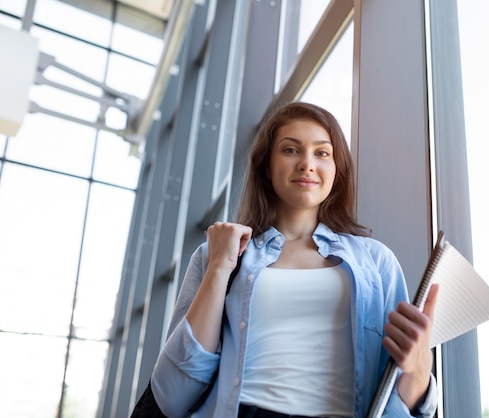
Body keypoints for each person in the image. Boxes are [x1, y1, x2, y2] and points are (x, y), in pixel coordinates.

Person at [150, 102, 439, 418]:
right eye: (290, 150)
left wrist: (419, 370)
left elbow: (402, 403)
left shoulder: (376, 262)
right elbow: (171, 394)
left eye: (322, 153)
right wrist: (219, 266)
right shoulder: (219, 254)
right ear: (266, 166)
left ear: (336, 170)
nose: (307, 163)